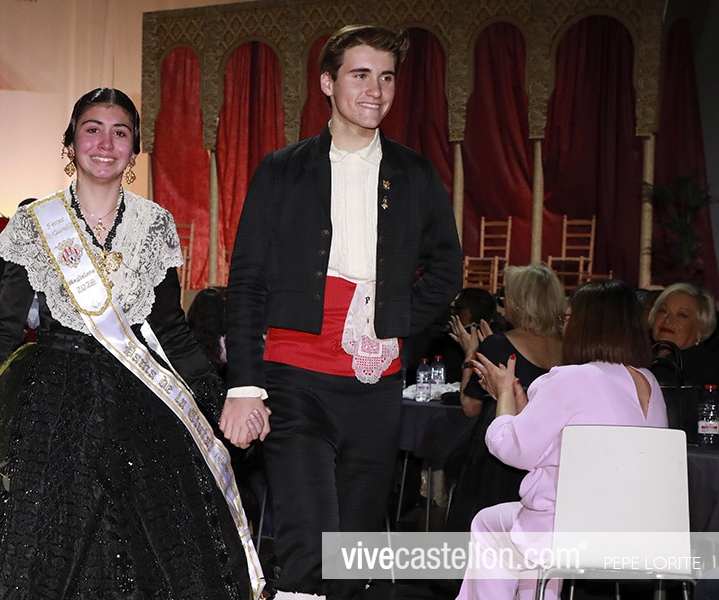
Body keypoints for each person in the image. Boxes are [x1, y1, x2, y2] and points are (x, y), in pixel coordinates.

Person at [0, 88, 261, 600]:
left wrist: (218, 397)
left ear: (134, 149)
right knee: (47, 540)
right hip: (52, 402)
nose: (106, 143)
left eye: (120, 133)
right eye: (92, 130)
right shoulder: (36, 222)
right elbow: (5, 328)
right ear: (71, 143)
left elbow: (171, 329)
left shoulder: (155, 224)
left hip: (139, 401)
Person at [221, 24, 463, 599]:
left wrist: (392, 321)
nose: (376, 90)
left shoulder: (416, 173)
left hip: (376, 384)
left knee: (352, 557)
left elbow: (447, 272)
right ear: (328, 83)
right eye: (360, 75)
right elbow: (247, 281)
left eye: (387, 77)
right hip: (294, 378)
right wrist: (245, 386)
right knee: (309, 547)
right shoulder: (282, 169)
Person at [455, 279, 668, 600]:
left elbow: (511, 449)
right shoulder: (649, 381)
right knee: (526, 534)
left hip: (573, 528)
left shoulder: (573, 378)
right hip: (639, 531)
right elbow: (568, 443)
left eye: (567, 318)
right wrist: (522, 406)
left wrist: (504, 395)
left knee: (490, 524)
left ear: (584, 324)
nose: (564, 326)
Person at [446, 264, 565, 533]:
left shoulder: (499, 345)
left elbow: (470, 406)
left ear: (520, 303)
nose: (502, 304)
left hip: (500, 458)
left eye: (506, 296)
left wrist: (471, 354)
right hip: (549, 461)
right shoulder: (569, 348)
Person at [648, 282, 719, 388]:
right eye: (663, 311)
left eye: (682, 315)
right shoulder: (640, 355)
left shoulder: (701, 368)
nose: (667, 321)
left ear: (701, 328)